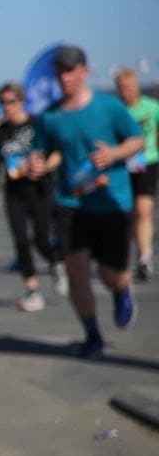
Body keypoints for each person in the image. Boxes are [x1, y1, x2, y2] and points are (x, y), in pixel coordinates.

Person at [29, 45, 144, 357]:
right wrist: (39, 164)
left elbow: (137, 139)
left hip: (111, 200)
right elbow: (45, 152)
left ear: (84, 71)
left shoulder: (108, 107)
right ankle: (92, 334)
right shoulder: (50, 116)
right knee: (76, 269)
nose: (64, 78)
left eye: (70, 71)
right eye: (60, 72)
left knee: (111, 274)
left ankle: (122, 289)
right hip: (71, 202)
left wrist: (113, 154)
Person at [0, 83, 66, 311]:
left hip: (40, 189)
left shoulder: (37, 124)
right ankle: (32, 291)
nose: (7, 106)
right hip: (15, 193)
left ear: (21, 101)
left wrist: (44, 166)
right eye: (2, 102)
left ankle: (56, 263)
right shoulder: (0, 131)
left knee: (41, 238)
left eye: (11, 101)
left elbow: (58, 152)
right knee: (21, 241)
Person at [115, 67, 159, 281]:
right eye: (122, 88)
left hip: (147, 162)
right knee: (129, 214)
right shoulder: (115, 110)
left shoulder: (152, 107)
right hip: (122, 165)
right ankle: (139, 248)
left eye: (129, 87)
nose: (126, 91)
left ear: (137, 87)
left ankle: (145, 257)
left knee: (143, 210)